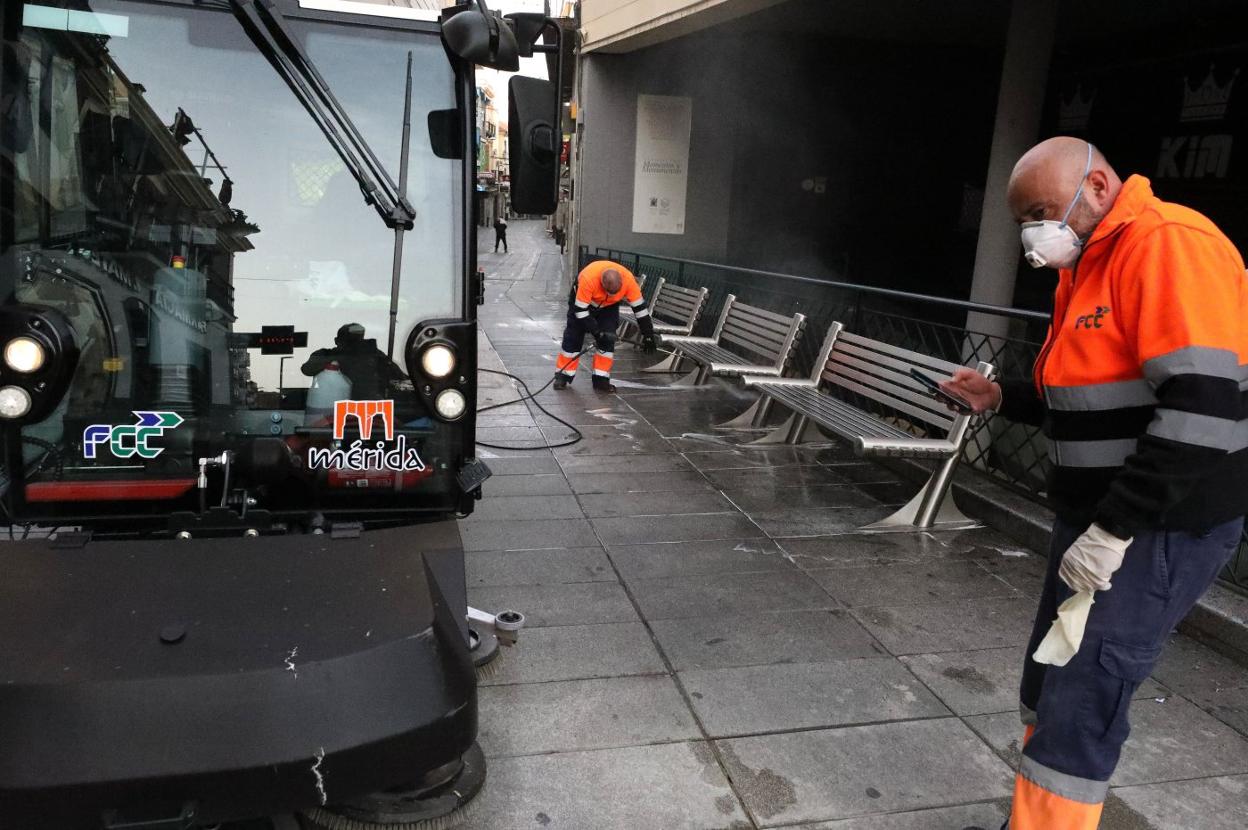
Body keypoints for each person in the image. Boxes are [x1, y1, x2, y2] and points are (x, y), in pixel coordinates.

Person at [943, 137, 1248, 830]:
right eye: (1023, 218)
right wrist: (1002, 398)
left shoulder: (1168, 245)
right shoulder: (1088, 263)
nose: (1034, 230)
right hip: (1099, 517)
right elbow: (1090, 395)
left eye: (1043, 210)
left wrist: (1114, 531)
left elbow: (1199, 410)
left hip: (1157, 524)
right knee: (1047, 682)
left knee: (1084, 692)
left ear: (1101, 186)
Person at [553, 260, 657, 393]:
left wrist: (648, 335)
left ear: (621, 284)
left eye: (615, 292)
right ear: (601, 283)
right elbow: (580, 311)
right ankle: (563, 376)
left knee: (608, 340)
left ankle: (601, 380)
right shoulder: (588, 279)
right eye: (608, 291)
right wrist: (596, 332)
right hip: (584, 304)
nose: (610, 294)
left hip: (609, 307)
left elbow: (641, 310)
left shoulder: (629, 282)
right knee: (573, 337)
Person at [301, 322, 405, 401]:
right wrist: (338, 357)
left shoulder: (375, 356)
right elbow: (307, 370)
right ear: (337, 341)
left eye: (356, 341)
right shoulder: (326, 355)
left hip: (369, 409)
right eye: (348, 341)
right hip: (332, 410)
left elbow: (400, 378)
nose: (352, 346)